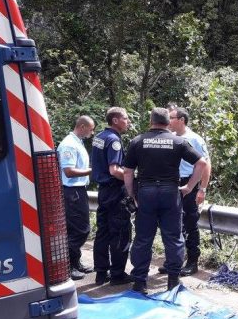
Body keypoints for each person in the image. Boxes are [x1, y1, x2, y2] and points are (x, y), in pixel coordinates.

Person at [124, 107, 207, 294]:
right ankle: (172, 280)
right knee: (173, 237)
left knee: (144, 237)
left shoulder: (138, 141)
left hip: (146, 192)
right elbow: (201, 163)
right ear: (168, 122)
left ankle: (139, 282)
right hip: (170, 192)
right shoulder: (178, 141)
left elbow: (128, 172)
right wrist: (189, 187)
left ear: (151, 121)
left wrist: (132, 195)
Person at [156, 106, 211, 277]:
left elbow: (206, 165)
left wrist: (202, 188)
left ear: (181, 120)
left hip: (190, 183)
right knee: (171, 223)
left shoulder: (194, 139)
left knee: (190, 223)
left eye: (171, 117)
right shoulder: (170, 138)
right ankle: (173, 260)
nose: (168, 121)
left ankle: (192, 261)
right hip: (173, 183)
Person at [91, 107, 133, 286]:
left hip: (103, 191)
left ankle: (101, 273)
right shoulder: (114, 140)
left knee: (103, 232)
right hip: (115, 191)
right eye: (125, 118)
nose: (128, 121)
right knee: (121, 232)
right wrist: (131, 178)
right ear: (115, 120)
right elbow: (114, 170)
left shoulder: (99, 137)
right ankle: (117, 274)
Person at [57, 115, 95, 280]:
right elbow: (69, 171)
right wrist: (92, 170)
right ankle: (69, 266)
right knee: (79, 230)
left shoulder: (77, 142)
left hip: (79, 190)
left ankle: (76, 262)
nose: (92, 133)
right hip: (72, 191)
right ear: (82, 126)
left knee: (79, 228)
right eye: (91, 129)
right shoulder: (69, 145)